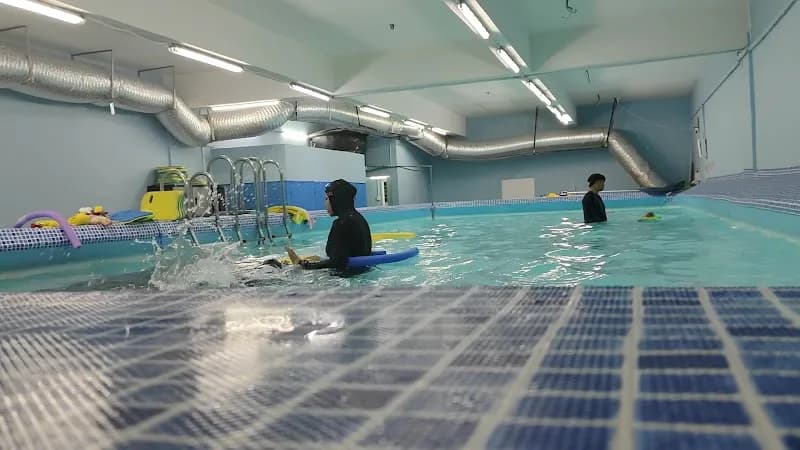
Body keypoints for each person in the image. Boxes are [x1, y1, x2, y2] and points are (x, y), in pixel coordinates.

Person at [285, 179, 372, 274]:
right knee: (314, 257)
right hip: (362, 272)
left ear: (336, 200)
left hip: (345, 277)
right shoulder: (359, 218)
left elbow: (337, 262)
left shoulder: (342, 223)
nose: (325, 204)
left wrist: (303, 265)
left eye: (326, 199)